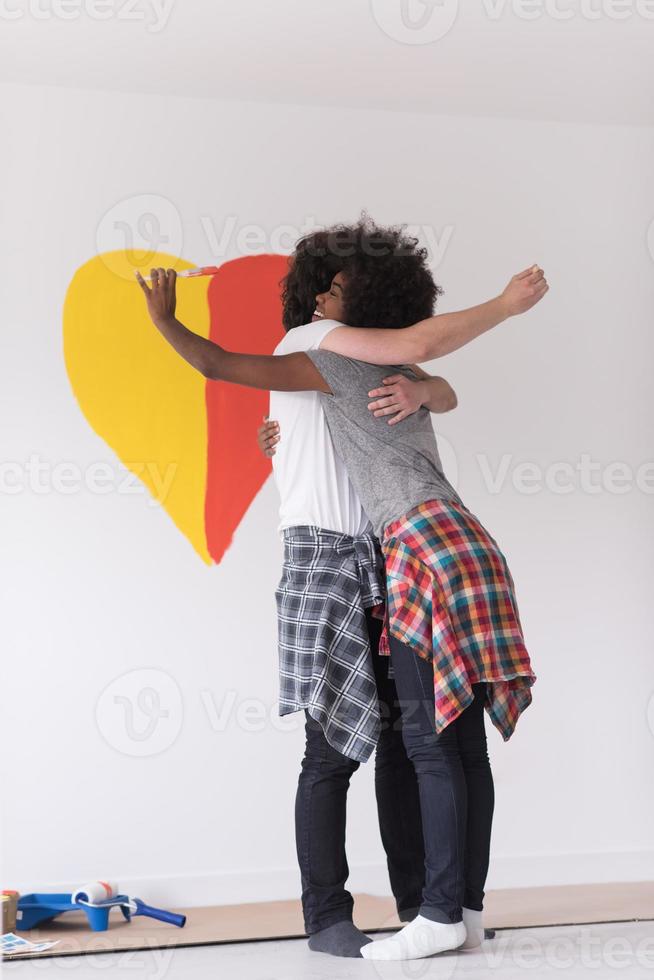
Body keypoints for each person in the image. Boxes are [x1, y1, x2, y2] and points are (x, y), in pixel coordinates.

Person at [135, 215, 548, 960]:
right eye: (327, 285)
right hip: (329, 558)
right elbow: (223, 365)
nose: (333, 295)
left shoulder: (359, 357)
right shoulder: (308, 344)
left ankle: (430, 909)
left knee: (406, 740)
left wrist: (430, 394)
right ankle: (330, 914)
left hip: (392, 553)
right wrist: (166, 323)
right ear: (314, 297)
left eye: (345, 283)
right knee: (334, 752)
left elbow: (432, 380)